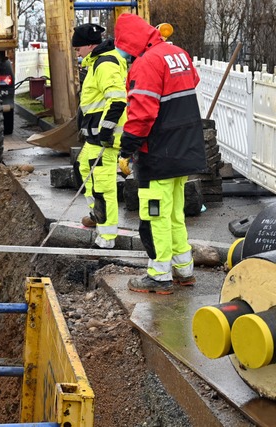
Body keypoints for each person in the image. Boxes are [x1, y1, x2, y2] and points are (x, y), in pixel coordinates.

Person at [114, 13, 206, 294]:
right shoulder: (178, 54)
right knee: (175, 213)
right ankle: (184, 270)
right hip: (184, 149)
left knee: (154, 215)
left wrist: (126, 149)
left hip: (159, 154)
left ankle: (159, 276)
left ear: (130, 42)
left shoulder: (146, 63)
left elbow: (142, 113)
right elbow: (193, 81)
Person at [72, 23, 128, 249]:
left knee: (102, 187)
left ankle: (106, 238)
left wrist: (105, 131)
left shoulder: (105, 64)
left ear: (89, 45)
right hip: (95, 136)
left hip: (105, 137)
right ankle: (97, 215)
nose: (76, 52)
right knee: (82, 169)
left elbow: (117, 99)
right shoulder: (97, 62)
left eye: (78, 48)